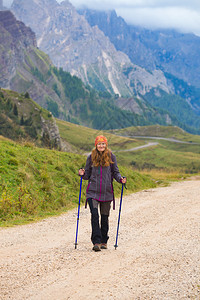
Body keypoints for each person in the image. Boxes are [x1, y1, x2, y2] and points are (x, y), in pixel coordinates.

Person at [79, 135, 127, 252]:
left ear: (106, 145)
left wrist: (120, 179)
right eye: (99, 144)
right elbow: (87, 175)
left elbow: (116, 172)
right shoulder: (91, 157)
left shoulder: (111, 157)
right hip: (93, 192)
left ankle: (104, 241)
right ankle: (96, 242)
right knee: (95, 216)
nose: (101, 146)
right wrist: (82, 174)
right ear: (96, 145)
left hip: (106, 193)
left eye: (103, 144)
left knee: (104, 217)